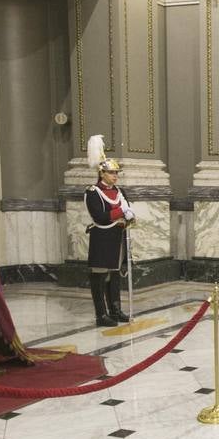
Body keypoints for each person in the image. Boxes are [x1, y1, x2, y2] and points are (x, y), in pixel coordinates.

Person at [84, 134, 133, 328]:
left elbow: (128, 211)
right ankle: (101, 314)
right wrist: (122, 211)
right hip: (101, 238)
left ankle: (115, 309)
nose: (115, 176)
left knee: (114, 276)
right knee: (99, 277)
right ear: (102, 173)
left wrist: (129, 216)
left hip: (117, 237)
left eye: (116, 173)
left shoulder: (120, 192)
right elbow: (100, 216)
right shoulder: (92, 192)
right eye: (112, 172)